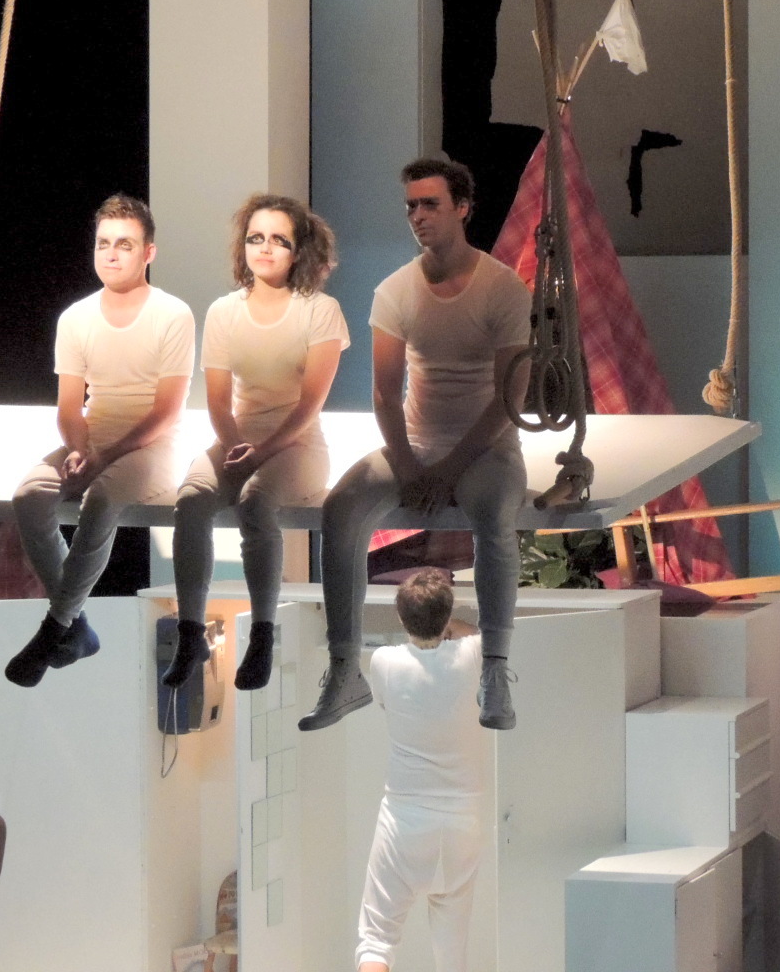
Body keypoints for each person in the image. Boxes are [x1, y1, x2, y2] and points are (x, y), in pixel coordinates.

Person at [300, 158, 531, 732]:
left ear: (462, 208)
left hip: (486, 449)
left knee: (494, 515)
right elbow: (384, 392)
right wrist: (407, 464)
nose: (418, 215)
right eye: (411, 205)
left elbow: (510, 398)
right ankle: (344, 669)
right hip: (417, 443)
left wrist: (449, 471)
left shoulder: (502, 288)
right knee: (340, 508)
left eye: (430, 203)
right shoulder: (396, 290)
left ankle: (495, 669)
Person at [5, 194, 194, 687]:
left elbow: (166, 411)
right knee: (29, 496)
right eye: (103, 243)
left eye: (124, 244)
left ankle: (54, 628)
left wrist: (102, 457)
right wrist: (78, 449)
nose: (111, 254)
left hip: (153, 446)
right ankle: (77, 625)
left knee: (102, 499)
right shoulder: (76, 317)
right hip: (93, 437)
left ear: (148, 253)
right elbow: (70, 406)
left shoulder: (172, 314)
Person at [162, 194, 348, 692]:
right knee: (191, 499)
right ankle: (190, 634)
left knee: (256, 501)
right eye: (256, 237)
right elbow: (218, 400)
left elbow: (309, 403)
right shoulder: (225, 311)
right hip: (238, 438)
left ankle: (263, 634)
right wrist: (234, 446)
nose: (265, 248)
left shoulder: (320, 310)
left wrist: (262, 453)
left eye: (278, 239)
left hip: (298, 444)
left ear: (298, 250)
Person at [357, 569, 486, 972]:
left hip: (404, 820)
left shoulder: (384, 662)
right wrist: (451, 626)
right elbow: (481, 634)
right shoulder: (473, 655)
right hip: (462, 823)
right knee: (452, 957)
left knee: (376, 941)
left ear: (401, 618)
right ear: (447, 616)